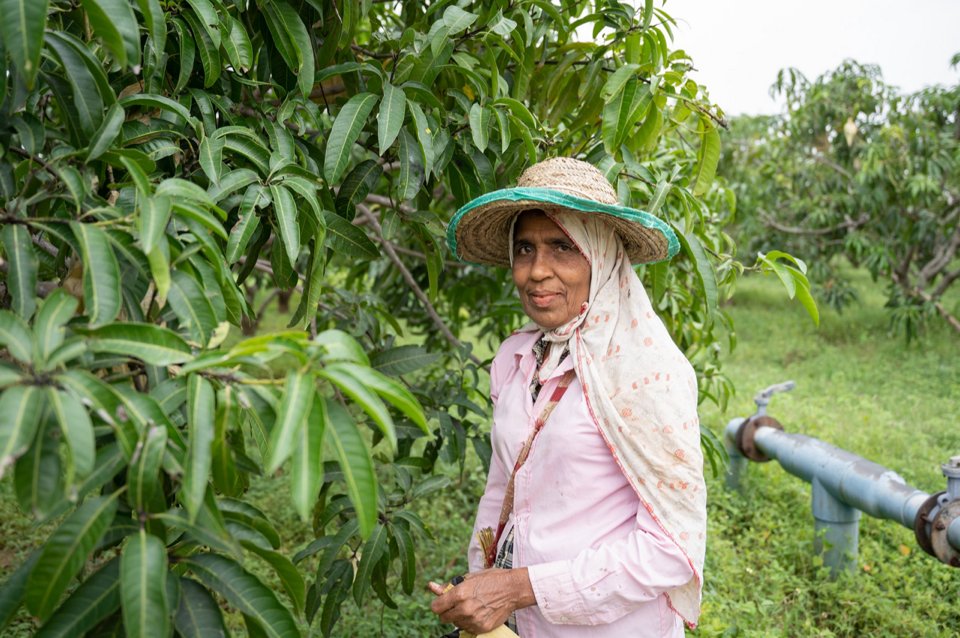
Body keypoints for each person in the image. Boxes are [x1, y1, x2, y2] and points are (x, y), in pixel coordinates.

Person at [428, 157, 707, 637]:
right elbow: (503, 483)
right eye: (525, 249)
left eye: (562, 247)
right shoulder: (518, 358)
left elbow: (671, 552)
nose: (537, 271)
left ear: (600, 256)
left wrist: (517, 588)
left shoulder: (646, 374)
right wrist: (483, 580)